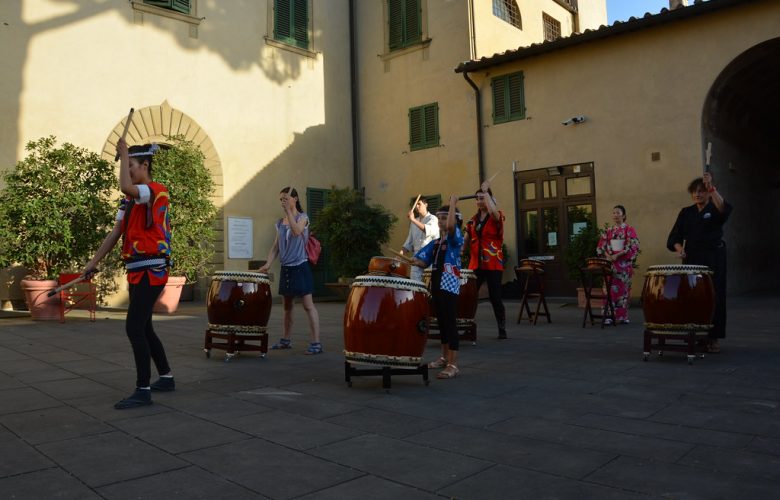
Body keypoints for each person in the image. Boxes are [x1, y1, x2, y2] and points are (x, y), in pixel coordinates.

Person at [84, 140, 174, 409]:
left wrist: (122, 154)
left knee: (134, 327)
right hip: (137, 271)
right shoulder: (129, 201)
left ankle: (143, 389)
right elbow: (115, 233)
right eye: (127, 165)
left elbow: (127, 186)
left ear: (145, 165)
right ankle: (166, 377)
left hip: (152, 269)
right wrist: (92, 262)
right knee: (144, 326)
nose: (129, 170)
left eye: (132, 166)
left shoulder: (155, 191)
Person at [667, 172, 732, 353]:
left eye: (701, 191)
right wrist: (680, 249)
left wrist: (711, 186)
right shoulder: (686, 212)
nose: (697, 194)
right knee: (693, 295)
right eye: (694, 192)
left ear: (708, 193)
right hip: (692, 257)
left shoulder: (714, 208)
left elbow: (725, 209)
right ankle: (697, 335)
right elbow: (674, 237)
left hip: (714, 257)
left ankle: (713, 337)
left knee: (715, 295)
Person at [259, 187, 322, 355]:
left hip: (300, 266)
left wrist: (289, 212)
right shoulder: (280, 223)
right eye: (281, 200)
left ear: (295, 199)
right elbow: (275, 247)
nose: (283, 202)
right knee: (287, 306)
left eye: (286, 199)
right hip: (286, 268)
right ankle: (286, 340)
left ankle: (316, 343)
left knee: (308, 306)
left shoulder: (303, 218)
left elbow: (296, 232)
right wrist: (268, 264)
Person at [412, 195, 464, 379]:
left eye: (445, 217)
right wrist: (411, 261)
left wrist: (452, 205)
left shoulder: (455, 237)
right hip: (436, 284)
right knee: (441, 323)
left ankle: (453, 364)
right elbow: (420, 260)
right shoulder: (436, 243)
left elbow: (450, 227)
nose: (441, 221)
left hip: (449, 286)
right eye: (440, 218)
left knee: (450, 324)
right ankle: (444, 357)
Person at [463, 180, 507, 339]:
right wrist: (460, 250)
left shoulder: (497, 215)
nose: (479, 201)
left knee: (495, 297)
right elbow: (466, 239)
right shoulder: (472, 220)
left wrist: (487, 192)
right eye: (478, 198)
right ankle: (467, 327)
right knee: (470, 296)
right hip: (476, 262)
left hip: (493, 262)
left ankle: (502, 328)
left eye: (483, 198)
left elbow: (495, 214)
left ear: (489, 199)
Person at [596, 205, 640, 324]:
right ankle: (608, 316)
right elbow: (601, 246)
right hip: (610, 265)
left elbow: (634, 246)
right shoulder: (608, 230)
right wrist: (607, 256)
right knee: (608, 290)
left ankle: (622, 316)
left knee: (623, 291)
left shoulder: (629, 229)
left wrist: (618, 255)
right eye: (613, 213)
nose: (615, 215)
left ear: (624, 215)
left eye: (618, 213)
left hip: (623, 265)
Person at [401, 196, 439, 281]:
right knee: (415, 287)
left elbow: (427, 229)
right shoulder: (414, 222)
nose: (417, 207)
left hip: (429, 257)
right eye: (416, 205)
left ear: (426, 205)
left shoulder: (433, 219)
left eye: (419, 204)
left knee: (428, 288)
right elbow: (409, 243)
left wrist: (413, 220)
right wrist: (400, 255)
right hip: (416, 258)